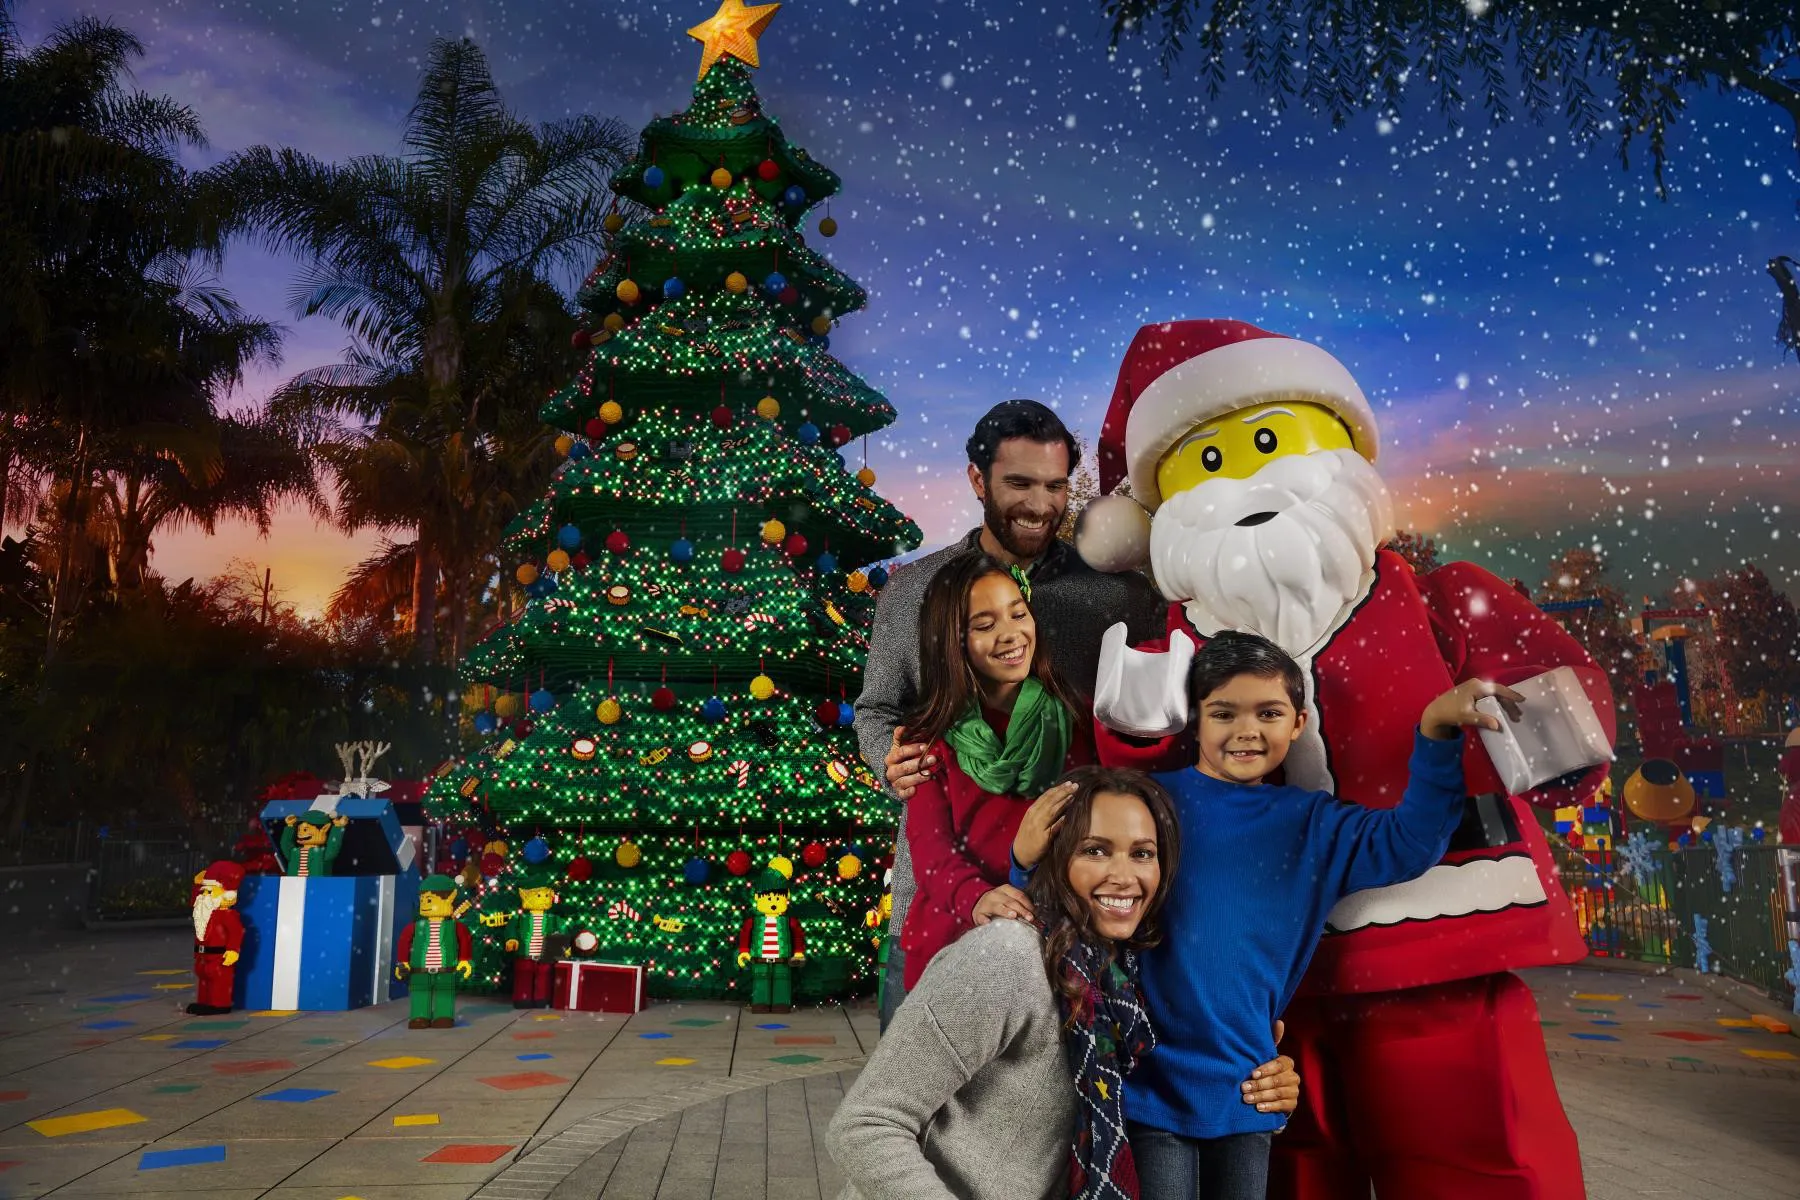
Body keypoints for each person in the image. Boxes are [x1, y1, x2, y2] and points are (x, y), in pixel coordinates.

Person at [1013, 633, 1520, 1200]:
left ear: (1298, 722)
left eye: (1269, 713)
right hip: (1145, 1082)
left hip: (1249, 1088)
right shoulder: (1150, 805)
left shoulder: (1314, 826)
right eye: (1223, 713)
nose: (1246, 730)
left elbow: (1412, 840)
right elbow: (1067, 891)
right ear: (1195, 720)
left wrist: (1436, 730)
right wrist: (1020, 862)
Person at [829, 767, 1302, 1200]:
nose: (1124, 875)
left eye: (1143, 854)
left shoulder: (1127, 986)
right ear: (1058, 857)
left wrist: (1260, 1080)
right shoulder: (1006, 958)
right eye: (1095, 850)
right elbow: (865, 1125)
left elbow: (1166, 1092)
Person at [854, 399, 1164, 1027]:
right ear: (978, 480)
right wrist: (897, 760)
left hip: (1066, 906)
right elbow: (878, 708)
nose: (1039, 505)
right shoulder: (916, 589)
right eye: (1018, 484)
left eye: (1054, 486)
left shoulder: (1116, 594)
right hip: (941, 893)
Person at [898, 550, 1093, 989]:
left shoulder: (1074, 720)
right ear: (953, 641)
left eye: (1018, 614)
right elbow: (929, 849)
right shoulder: (926, 738)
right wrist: (976, 896)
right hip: (948, 941)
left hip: (1045, 943)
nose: (1011, 635)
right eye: (985, 626)